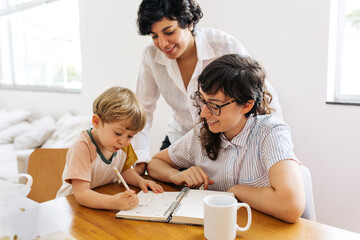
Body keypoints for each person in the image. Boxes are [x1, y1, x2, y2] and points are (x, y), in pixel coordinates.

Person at [147, 54, 305, 223]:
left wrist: (237, 191)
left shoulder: (271, 133)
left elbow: (291, 205)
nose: (204, 113)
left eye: (214, 105)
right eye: (203, 100)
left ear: (246, 105)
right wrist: (175, 175)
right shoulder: (203, 132)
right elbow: (155, 164)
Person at [132, 0, 283, 175]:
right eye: (154, 36)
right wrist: (139, 157)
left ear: (188, 23)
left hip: (224, 141)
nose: (163, 43)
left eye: (169, 32)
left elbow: (261, 93)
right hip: (181, 139)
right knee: (163, 185)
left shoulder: (223, 45)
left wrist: (279, 147)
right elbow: (143, 109)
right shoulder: (151, 55)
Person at [56, 87, 163, 210]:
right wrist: (113, 202)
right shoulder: (82, 146)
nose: (123, 141)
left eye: (130, 136)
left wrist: (140, 181)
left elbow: (124, 170)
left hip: (96, 203)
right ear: (96, 122)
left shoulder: (123, 145)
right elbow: (81, 194)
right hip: (70, 207)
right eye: (118, 133)